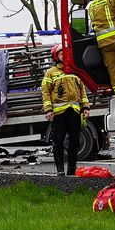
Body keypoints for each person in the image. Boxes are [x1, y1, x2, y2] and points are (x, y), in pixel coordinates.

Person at [41, 44, 90, 176]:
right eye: (61, 54)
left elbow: (82, 90)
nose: (64, 56)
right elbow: (45, 92)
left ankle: (72, 170)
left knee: (74, 141)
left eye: (66, 53)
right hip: (59, 113)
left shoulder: (75, 71)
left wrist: (85, 106)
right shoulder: (50, 73)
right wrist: (48, 110)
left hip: (74, 111)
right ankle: (60, 170)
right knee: (58, 142)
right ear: (56, 56)